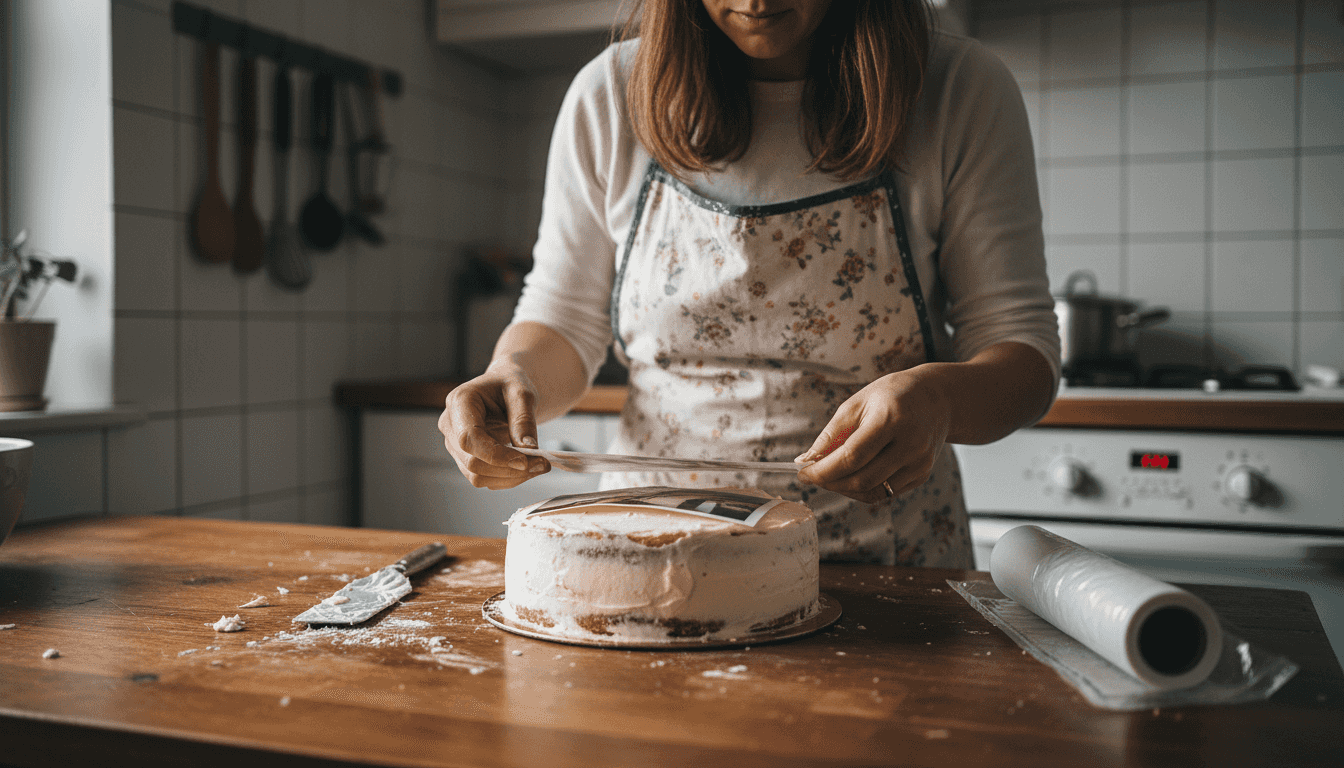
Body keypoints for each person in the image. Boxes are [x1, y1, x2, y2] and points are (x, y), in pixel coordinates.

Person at [439, 0, 1060, 568]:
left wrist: (940, 402)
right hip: (650, 551)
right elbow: (563, 318)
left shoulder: (957, 87)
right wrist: (511, 377)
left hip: (884, 560)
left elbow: (1022, 351)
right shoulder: (610, 93)